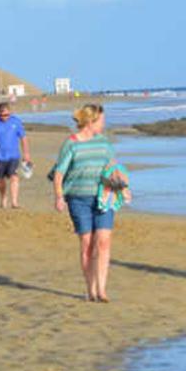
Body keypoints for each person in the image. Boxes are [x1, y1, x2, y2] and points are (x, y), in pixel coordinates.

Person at [52, 104, 118, 303]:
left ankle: (102, 289)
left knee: (104, 242)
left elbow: (113, 168)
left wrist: (123, 188)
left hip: (104, 197)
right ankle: (90, 289)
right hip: (78, 198)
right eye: (101, 121)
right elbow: (59, 173)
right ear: (91, 121)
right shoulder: (71, 144)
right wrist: (59, 196)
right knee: (88, 245)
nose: (104, 125)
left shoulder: (105, 144)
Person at [0, 102, 31, 209]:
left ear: (10, 112)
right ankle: (3, 197)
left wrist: (26, 153)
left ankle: (14, 202)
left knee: (14, 177)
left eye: (6, 115)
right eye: (2, 115)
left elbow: (23, 138)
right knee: (0, 180)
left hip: (14, 156)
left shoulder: (16, 122)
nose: (4, 117)